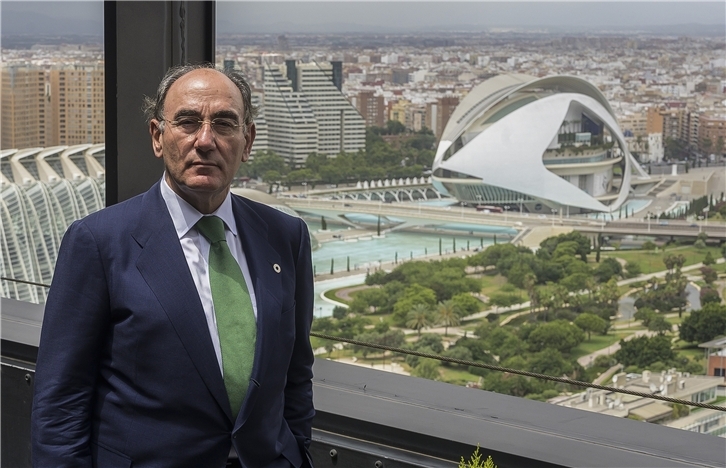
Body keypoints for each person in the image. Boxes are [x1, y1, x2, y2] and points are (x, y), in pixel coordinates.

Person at [31, 63, 315, 468]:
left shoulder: (286, 237)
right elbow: (61, 400)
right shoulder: (99, 242)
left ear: (247, 140)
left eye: (224, 123)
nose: (205, 140)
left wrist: (296, 452)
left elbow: (296, 372)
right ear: (157, 137)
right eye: (187, 122)